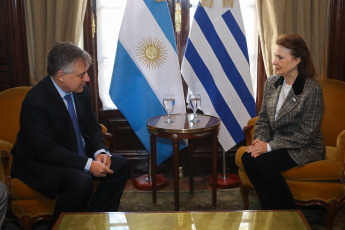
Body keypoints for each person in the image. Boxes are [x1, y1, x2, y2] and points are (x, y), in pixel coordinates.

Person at [11, 42, 131, 224]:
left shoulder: (80, 91)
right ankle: (61, 226)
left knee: (121, 165)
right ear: (61, 76)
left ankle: (96, 220)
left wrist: (100, 151)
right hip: (42, 163)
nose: (88, 79)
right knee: (81, 181)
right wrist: (88, 164)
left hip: (74, 154)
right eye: (82, 74)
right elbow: (46, 149)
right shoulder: (36, 101)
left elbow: (92, 125)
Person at [241, 34, 325, 210]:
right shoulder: (272, 83)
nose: (274, 62)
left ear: (296, 61)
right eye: (275, 56)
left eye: (280, 57)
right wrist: (260, 142)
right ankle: (271, 210)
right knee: (248, 157)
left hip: (305, 146)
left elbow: (306, 134)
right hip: (276, 142)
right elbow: (263, 119)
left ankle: (289, 213)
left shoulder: (312, 90)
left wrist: (268, 147)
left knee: (264, 161)